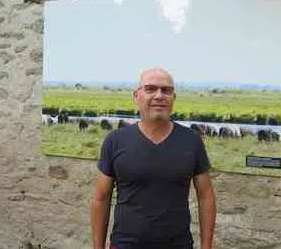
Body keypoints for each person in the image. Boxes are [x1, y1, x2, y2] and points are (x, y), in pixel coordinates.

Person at [90, 68, 216, 249]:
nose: (159, 95)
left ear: (174, 98)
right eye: (150, 89)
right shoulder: (115, 141)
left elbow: (206, 196)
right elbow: (101, 198)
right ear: (136, 96)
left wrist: (207, 247)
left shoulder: (192, 141)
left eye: (166, 90)